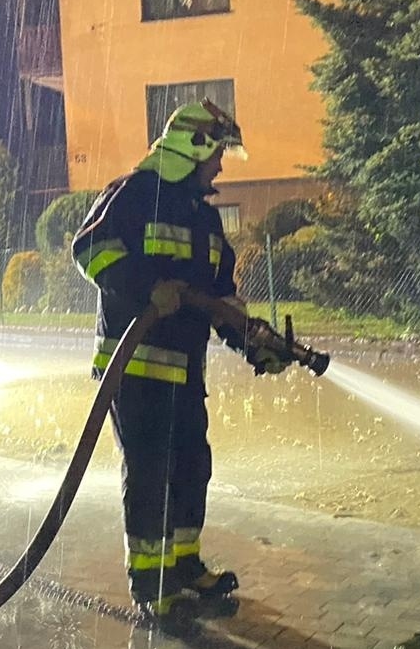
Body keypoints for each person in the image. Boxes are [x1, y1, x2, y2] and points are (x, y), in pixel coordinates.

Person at [71, 100, 292, 620]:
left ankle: (186, 569)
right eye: (217, 154)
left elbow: (219, 300)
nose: (220, 166)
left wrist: (253, 342)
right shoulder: (132, 195)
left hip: (183, 372)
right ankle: (152, 586)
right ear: (192, 149)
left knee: (192, 467)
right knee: (150, 474)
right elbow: (90, 249)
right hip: (134, 368)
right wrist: (149, 289)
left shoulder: (206, 220)